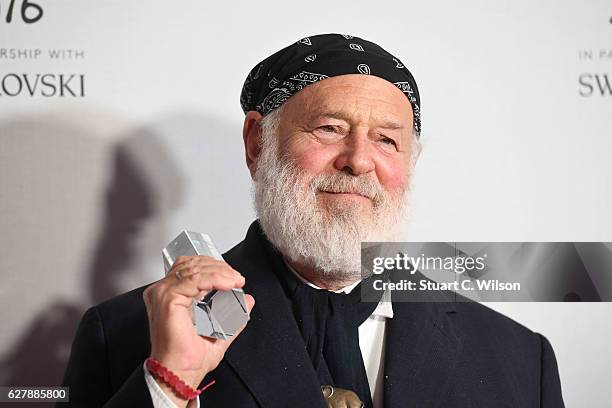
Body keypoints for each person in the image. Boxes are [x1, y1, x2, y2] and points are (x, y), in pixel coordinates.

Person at [60, 34, 565, 408]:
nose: (358, 160)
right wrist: (170, 385)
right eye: (329, 129)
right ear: (257, 143)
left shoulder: (520, 358)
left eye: (387, 140)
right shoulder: (123, 335)